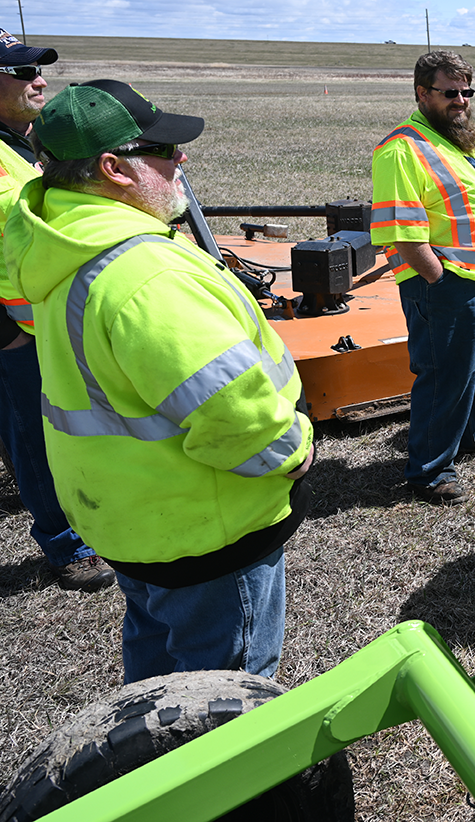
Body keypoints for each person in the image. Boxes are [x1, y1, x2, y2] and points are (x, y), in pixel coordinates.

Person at [7, 80, 313, 681]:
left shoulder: (59, 244)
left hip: (133, 520)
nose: (182, 160)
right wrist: (293, 453)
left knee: (155, 665)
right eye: (165, 151)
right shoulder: (146, 275)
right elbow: (232, 410)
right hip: (205, 530)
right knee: (225, 693)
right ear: (113, 167)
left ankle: (142, 763)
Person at [371, 51, 475, 504]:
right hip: (448, 281)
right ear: (422, 92)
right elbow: (403, 233)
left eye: (466, 91)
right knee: (446, 375)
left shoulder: (462, 139)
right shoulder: (400, 149)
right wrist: (436, 279)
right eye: (450, 92)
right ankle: (430, 472)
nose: (461, 100)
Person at [0, 30, 114, 591]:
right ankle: (66, 543)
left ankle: (92, 513)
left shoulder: (30, 138)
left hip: (61, 318)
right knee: (33, 436)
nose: (38, 80)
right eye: (21, 72)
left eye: (37, 69)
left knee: (74, 426)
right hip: (17, 333)